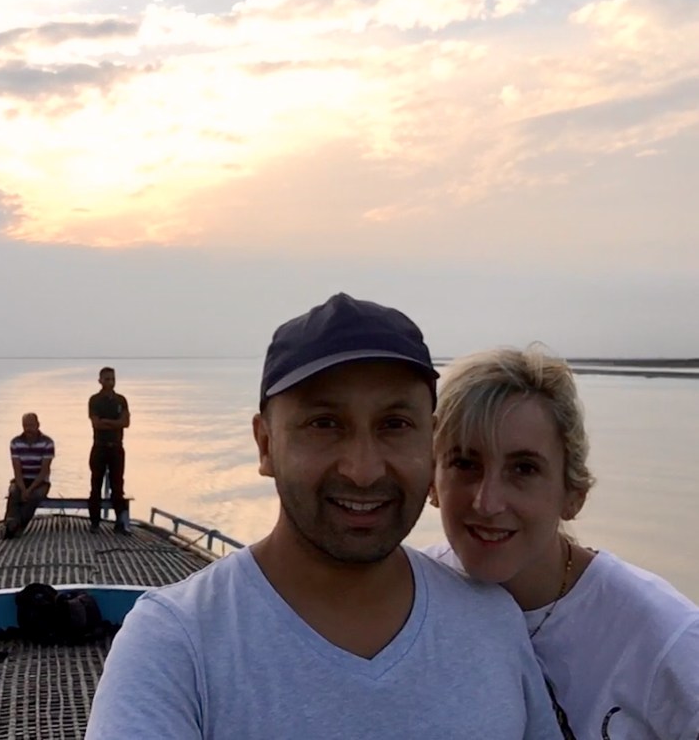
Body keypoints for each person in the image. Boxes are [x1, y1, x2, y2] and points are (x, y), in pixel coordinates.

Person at [86, 293, 562, 739]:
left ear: (430, 442)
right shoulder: (176, 645)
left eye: (394, 425)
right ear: (266, 444)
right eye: (324, 424)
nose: (363, 470)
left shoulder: (493, 623)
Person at [427, 346, 699, 740]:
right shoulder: (409, 602)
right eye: (465, 463)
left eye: (524, 468)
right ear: (432, 483)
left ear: (573, 494)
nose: (487, 502)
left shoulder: (664, 639)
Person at [87, 366, 130, 534]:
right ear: (100, 380)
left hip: (117, 448)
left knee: (118, 485)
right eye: (107, 379)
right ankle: (95, 522)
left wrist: (107, 422)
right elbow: (96, 423)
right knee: (95, 484)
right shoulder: (94, 400)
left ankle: (120, 521)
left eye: (112, 379)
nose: (110, 382)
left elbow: (126, 423)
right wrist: (115, 423)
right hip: (99, 447)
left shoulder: (121, 400)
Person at [2, 412, 54, 539]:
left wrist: (29, 490)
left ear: (37, 425)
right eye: (25, 425)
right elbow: (17, 470)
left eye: (31, 425)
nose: (28, 429)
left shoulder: (47, 442)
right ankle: (10, 523)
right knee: (14, 492)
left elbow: (44, 471)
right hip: (22, 480)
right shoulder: (15, 442)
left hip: (40, 482)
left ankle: (14, 525)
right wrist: (23, 488)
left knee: (35, 496)